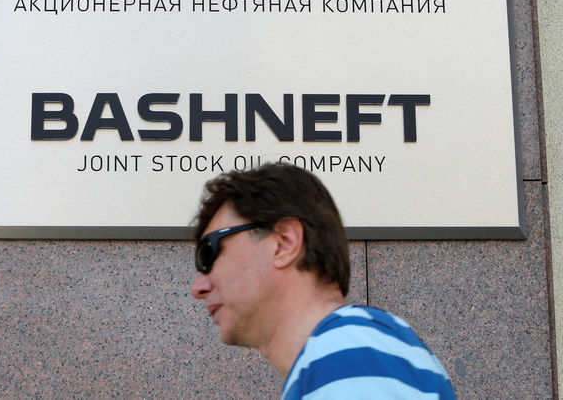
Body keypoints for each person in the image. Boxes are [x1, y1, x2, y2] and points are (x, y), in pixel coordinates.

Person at [190, 163, 455, 399]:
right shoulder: (348, 355)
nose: (197, 288)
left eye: (209, 253)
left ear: (284, 243)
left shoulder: (351, 350)